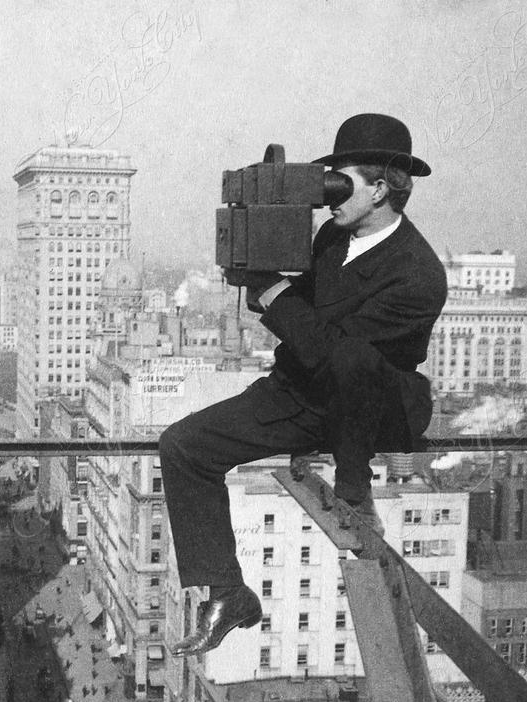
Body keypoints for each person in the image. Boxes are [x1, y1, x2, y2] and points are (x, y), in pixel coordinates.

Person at [160, 113, 447, 657]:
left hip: (365, 407)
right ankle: (227, 593)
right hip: (303, 388)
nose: (330, 194)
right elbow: (308, 330)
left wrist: (269, 291)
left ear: (383, 188)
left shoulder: (416, 273)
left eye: (342, 180)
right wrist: (256, 264)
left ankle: (354, 488)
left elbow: (338, 355)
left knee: (355, 365)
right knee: (184, 445)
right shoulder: (333, 236)